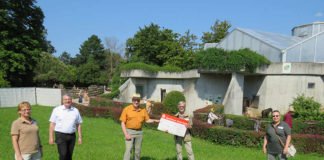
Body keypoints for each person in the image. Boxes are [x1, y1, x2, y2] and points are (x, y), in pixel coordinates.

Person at [120, 93, 160, 160]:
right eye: (134, 100)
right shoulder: (127, 109)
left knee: (137, 151)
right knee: (128, 150)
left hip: (139, 133)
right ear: (132, 100)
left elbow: (147, 120)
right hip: (129, 132)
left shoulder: (143, 110)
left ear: (139, 101)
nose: (136, 102)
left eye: (138, 100)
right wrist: (126, 134)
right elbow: (122, 123)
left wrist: (155, 120)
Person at [49, 94, 83, 160]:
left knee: (69, 156)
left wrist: (80, 137)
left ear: (71, 100)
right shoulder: (57, 110)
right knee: (63, 155)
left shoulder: (75, 110)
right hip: (60, 135)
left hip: (72, 136)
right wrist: (51, 137)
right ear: (62, 101)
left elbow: (78, 124)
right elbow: (52, 124)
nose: (67, 101)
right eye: (65, 99)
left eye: (69, 99)